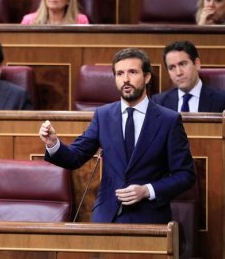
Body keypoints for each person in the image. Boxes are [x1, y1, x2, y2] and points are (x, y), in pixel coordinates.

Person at [39, 48, 195, 224]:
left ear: (147, 77)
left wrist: (146, 190)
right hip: (107, 216)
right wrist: (53, 143)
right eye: (120, 73)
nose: (125, 79)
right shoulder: (103, 115)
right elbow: (75, 157)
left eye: (132, 72)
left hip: (150, 218)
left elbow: (185, 175)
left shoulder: (169, 120)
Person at [152, 40, 225, 112]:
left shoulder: (221, 100)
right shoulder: (158, 103)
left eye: (183, 64)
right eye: (172, 68)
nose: (178, 73)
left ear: (196, 64)